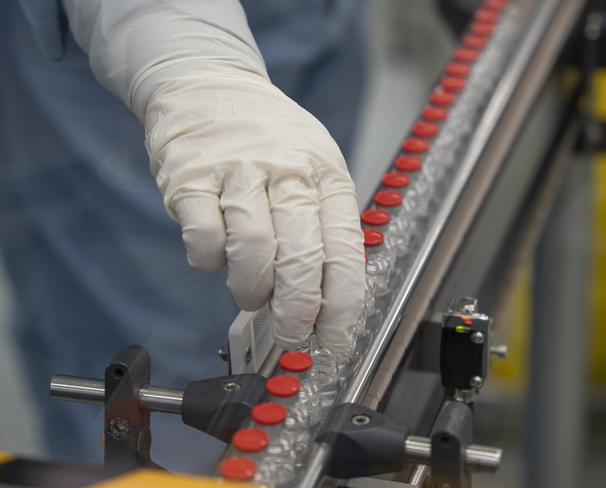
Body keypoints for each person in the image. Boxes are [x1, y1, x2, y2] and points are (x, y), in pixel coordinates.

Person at [0, 0, 366, 474]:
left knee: (297, 272)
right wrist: (187, 53)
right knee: (151, 383)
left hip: (310, 18)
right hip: (127, 63)